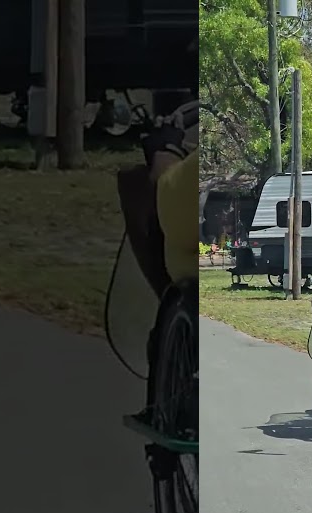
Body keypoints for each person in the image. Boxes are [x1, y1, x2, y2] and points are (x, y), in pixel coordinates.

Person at [115, 110, 199, 430]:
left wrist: (166, 152)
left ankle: (163, 399)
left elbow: (172, 206)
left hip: (191, 286)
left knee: (140, 189)